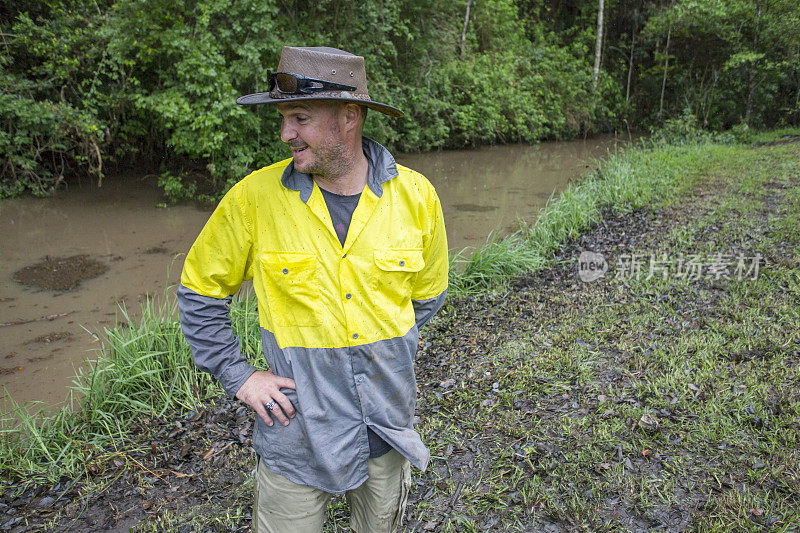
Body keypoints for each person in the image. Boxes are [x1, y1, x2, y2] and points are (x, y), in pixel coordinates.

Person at [177, 46, 449, 533]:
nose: (286, 134)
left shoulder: (417, 196)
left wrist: (392, 345)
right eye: (283, 119)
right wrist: (238, 375)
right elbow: (199, 293)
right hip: (295, 434)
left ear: (349, 116)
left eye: (299, 118)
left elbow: (426, 297)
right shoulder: (254, 199)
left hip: (386, 425)